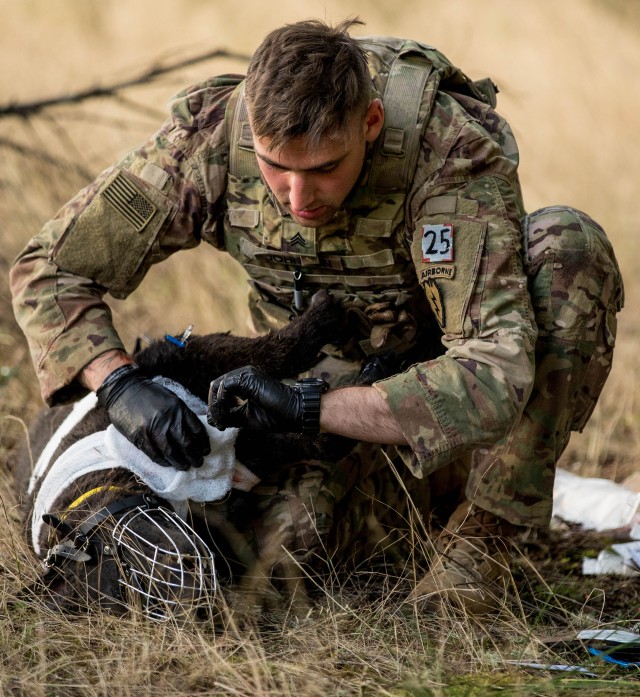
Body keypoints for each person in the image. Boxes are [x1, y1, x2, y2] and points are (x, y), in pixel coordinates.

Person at [10, 18, 624, 615]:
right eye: (278, 167)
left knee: (567, 247)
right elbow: (49, 268)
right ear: (252, 128)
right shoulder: (213, 138)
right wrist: (118, 383)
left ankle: (485, 540)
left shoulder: (446, 150)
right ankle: (424, 497)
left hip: (435, 380)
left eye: (325, 168)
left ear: (371, 124)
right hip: (318, 390)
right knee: (288, 550)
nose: (298, 198)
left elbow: (498, 370)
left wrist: (309, 409)